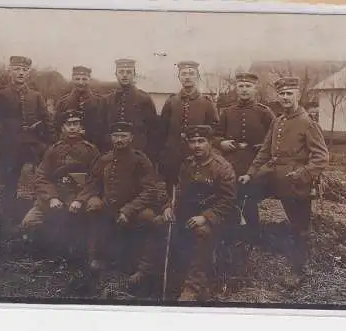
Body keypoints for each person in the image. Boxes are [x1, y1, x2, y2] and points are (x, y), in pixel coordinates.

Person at [238, 77, 329, 287]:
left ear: (297, 95)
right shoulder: (278, 120)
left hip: (294, 180)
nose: (285, 98)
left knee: (299, 226)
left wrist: (303, 174)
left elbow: (321, 157)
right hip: (272, 174)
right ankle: (252, 239)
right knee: (244, 193)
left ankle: (299, 269)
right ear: (277, 97)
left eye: (290, 93)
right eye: (282, 94)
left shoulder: (307, 122)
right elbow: (263, 152)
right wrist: (250, 174)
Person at [75, 121, 167, 288]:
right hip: (109, 205)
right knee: (93, 207)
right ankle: (97, 257)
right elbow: (93, 184)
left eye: (123, 136)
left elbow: (149, 191)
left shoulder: (141, 160)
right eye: (116, 136)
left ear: (131, 138)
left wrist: (128, 210)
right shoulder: (104, 159)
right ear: (111, 138)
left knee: (148, 218)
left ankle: (143, 269)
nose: (119, 139)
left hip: (134, 207)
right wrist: (81, 199)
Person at [162, 125, 237, 302]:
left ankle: (192, 287)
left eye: (201, 141)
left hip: (219, 218)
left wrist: (206, 217)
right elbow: (178, 192)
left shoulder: (222, 167)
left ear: (210, 143)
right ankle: (161, 276)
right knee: (161, 223)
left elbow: (228, 200)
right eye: (193, 141)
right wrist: (168, 207)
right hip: (190, 214)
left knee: (202, 233)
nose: (197, 145)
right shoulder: (187, 164)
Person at [20, 109, 100, 262]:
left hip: (78, 196)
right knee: (29, 222)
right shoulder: (53, 150)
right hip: (56, 196)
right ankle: (45, 254)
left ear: (81, 127)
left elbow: (95, 180)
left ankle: (88, 254)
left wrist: (80, 200)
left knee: (92, 212)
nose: (72, 128)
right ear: (63, 127)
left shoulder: (91, 150)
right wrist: (51, 198)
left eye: (75, 124)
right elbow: (41, 177)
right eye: (68, 124)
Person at [0, 55, 50, 226]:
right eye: (17, 69)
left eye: (24, 70)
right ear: (10, 71)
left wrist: (47, 144)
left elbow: (46, 121)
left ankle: (32, 215)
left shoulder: (36, 96)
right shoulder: (0, 95)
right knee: (9, 182)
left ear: (28, 73)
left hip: (32, 146)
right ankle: (7, 218)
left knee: (34, 180)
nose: (21, 73)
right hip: (9, 146)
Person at [214, 72, 275, 244]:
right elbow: (216, 136)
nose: (244, 90)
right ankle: (231, 233)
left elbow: (275, 136)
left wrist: (263, 146)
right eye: (241, 86)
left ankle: (254, 236)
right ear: (236, 88)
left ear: (255, 89)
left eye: (248, 86)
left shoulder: (265, 112)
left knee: (249, 199)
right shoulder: (227, 112)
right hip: (231, 162)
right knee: (230, 197)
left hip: (255, 163)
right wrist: (222, 143)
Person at [158, 61, 219, 196]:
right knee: (172, 188)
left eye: (191, 74)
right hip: (173, 154)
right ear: (179, 77)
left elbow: (214, 129)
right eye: (184, 74)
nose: (187, 77)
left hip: (197, 154)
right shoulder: (171, 101)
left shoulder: (206, 103)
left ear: (197, 77)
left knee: (196, 189)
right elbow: (162, 130)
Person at [101, 59, 159, 163]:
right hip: (112, 152)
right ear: (116, 74)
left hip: (138, 152)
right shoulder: (107, 100)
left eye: (128, 72)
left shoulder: (144, 99)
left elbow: (153, 131)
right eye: (121, 72)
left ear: (134, 75)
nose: (125, 75)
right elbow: (103, 127)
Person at [54, 66, 106, 150]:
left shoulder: (100, 102)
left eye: (84, 79)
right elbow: (57, 127)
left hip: (95, 147)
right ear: (72, 79)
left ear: (89, 79)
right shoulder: (63, 103)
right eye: (77, 79)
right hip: (69, 148)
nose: (81, 82)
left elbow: (103, 127)